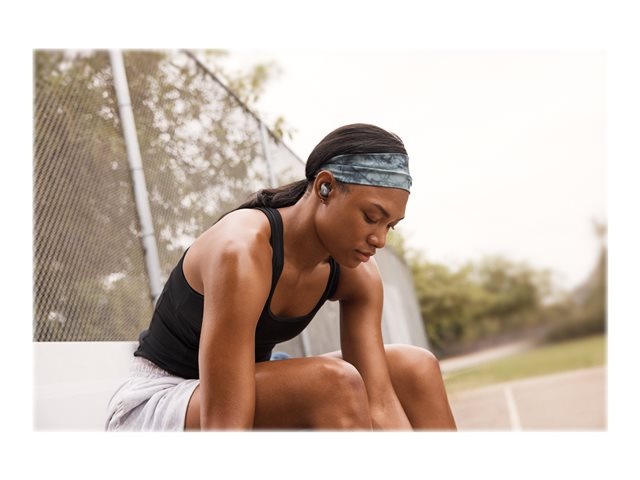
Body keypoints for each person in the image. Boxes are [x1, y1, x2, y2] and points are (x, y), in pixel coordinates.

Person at [105, 123, 457, 431]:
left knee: (416, 368)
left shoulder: (358, 273)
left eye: (390, 226)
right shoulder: (243, 249)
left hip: (251, 383)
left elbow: (380, 404)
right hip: (164, 403)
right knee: (333, 383)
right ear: (325, 187)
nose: (380, 240)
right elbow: (224, 426)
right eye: (371, 217)